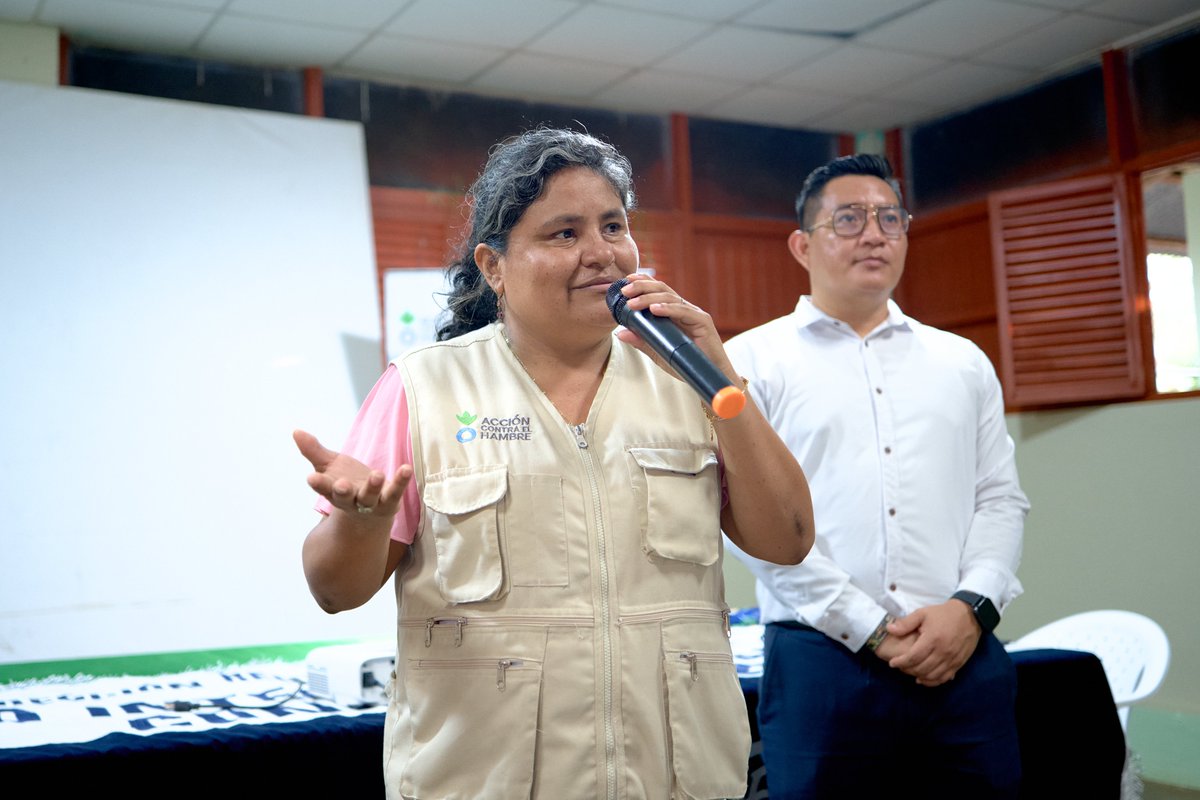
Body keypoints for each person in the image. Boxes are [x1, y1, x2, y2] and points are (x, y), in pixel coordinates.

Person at [293, 127, 815, 800]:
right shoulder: (424, 388)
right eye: (564, 233)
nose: (602, 253)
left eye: (613, 226)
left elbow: (788, 540)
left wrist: (719, 374)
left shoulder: (689, 379)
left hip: (677, 780)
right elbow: (334, 591)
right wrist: (362, 523)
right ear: (494, 266)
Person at [722, 153, 1030, 800]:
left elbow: (1000, 499)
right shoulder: (749, 362)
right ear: (802, 245)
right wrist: (867, 627)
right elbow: (749, 521)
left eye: (890, 219)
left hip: (963, 654)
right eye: (850, 219)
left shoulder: (963, 362)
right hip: (821, 663)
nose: (875, 234)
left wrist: (971, 608)